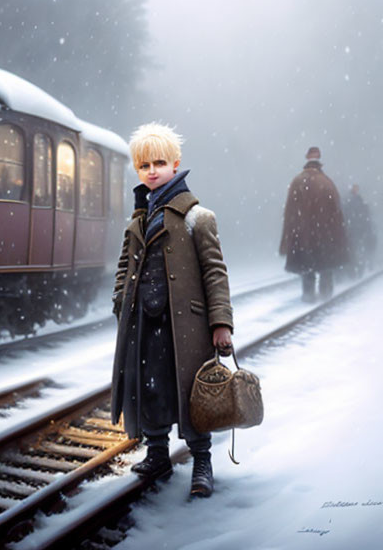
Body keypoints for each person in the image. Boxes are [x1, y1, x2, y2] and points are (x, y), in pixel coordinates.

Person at [111, 123, 234, 498]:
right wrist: (121, 300)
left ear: (176, 164)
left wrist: (221, 323)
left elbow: (215, 272)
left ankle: (202, 461)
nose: (151, 170)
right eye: (144, 165)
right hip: (145, 323)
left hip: (187, 326)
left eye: (159, 163)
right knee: (150, 389)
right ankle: (158, 453)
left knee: (193, 394)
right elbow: (124, 266)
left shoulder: (198, 217)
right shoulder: (138, 218)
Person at [279, 146, 349, 301]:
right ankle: (325, 299)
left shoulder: (297, 181)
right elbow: (337, 215)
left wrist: (288, 238)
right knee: (326, 269)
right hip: (325, 236)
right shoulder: (327, 183)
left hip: (303, 235)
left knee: (307, 269)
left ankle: (309, 297)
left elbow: (290, 214)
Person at [343, 184, 377, 278]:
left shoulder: (348, 201)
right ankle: (357, 270)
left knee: (356, 251)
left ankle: (356, 270)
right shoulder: (358, 201)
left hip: (356, 230)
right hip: (356, 230)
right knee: (356, 251)